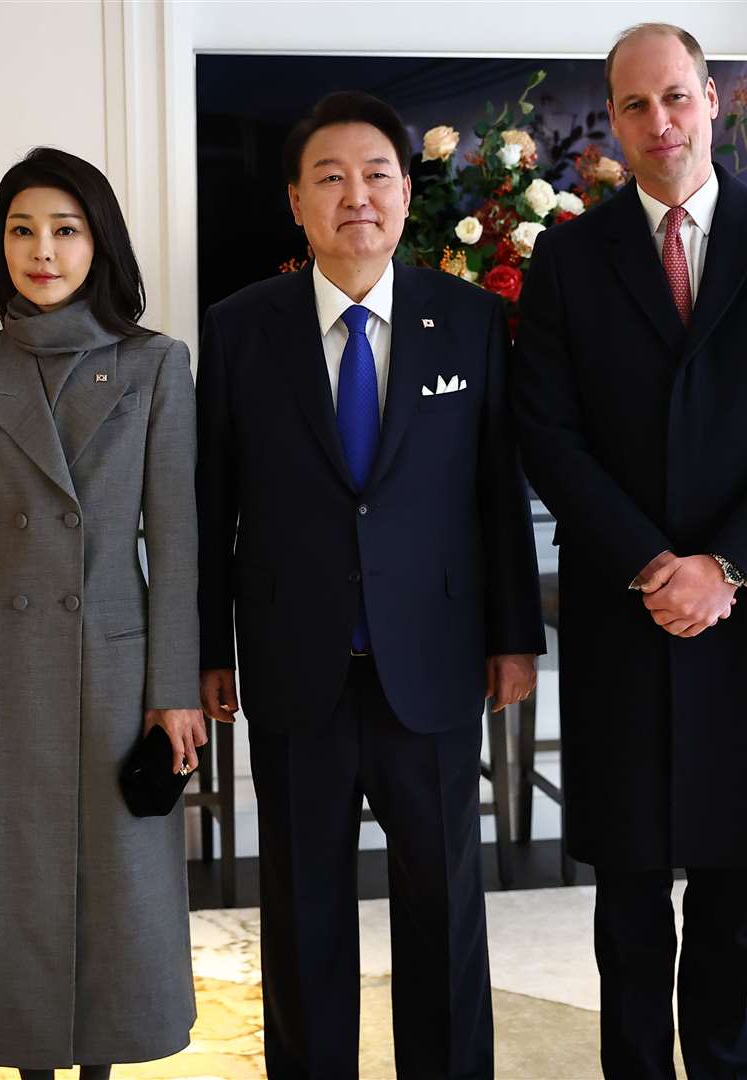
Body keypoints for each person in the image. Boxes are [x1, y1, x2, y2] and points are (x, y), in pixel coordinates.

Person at [512, 23, 747, 1079]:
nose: (656, 123)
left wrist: (727, 567)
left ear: (711, 99)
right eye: (631, 106)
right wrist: (654, 565)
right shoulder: (570, 255)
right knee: (627, 894)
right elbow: (546, 432)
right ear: (610, 123)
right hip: (627, 607)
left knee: (730, 890)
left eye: (673, 98)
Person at [195, 92, 544, 1079]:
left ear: (404, 193)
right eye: (330, 177)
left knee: (443, 909)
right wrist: (207, 648)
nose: (356, 195)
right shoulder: (240, 329)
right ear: (297, 205)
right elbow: (208, 501)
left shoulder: (469, 322)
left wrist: (513, 634)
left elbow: (493, 493)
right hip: (294, 663)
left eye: (376, 174)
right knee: (303, 913)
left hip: (430, 667)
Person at [0, 147, 202, 1079]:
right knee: (8, 879)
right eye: (22, 230)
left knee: (117, 885)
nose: (43, 250)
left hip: (117, 657)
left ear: (98, 244)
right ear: (0, 247)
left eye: (65, 230)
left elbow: (178, 539)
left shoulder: (157, 363)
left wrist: (173, 690)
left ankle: (102, 1064)